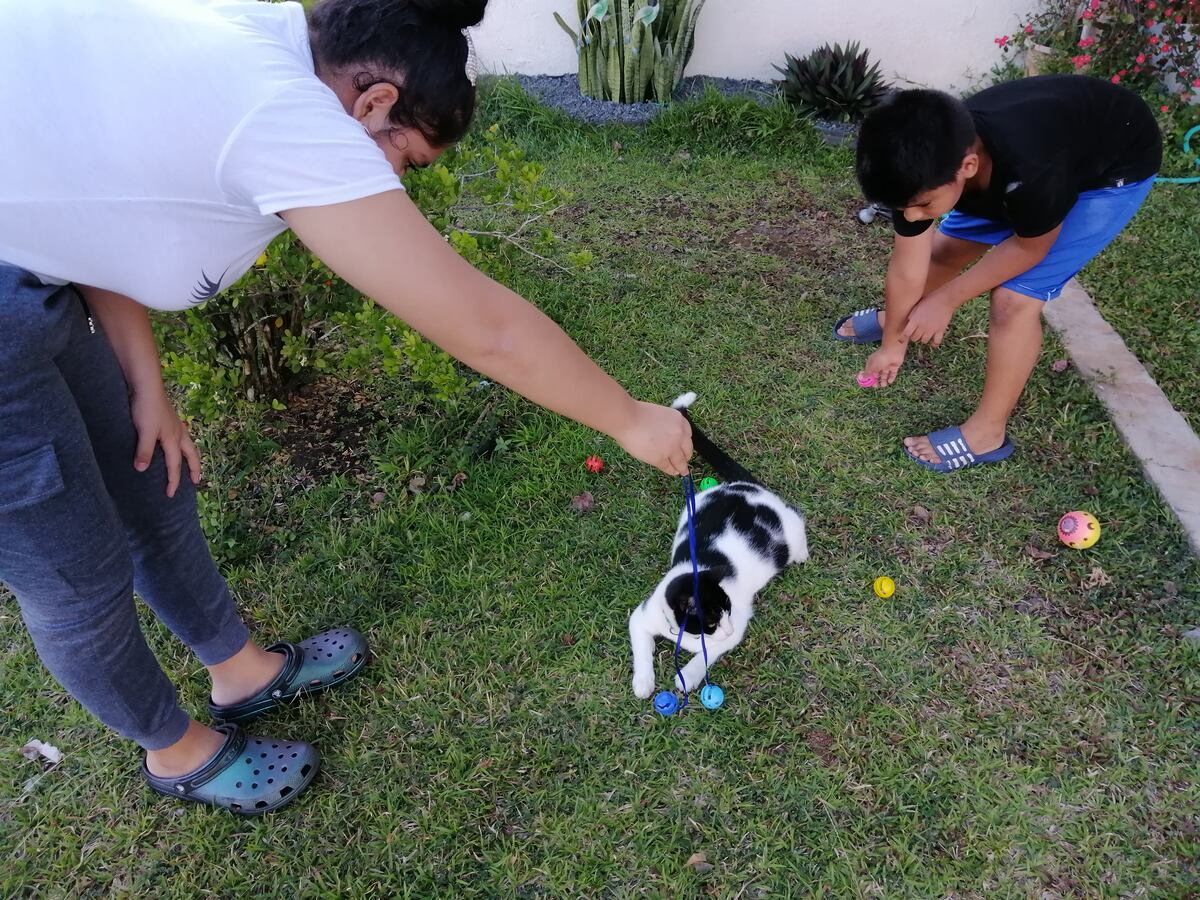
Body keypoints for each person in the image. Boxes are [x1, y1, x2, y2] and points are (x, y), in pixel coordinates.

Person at [0, 0, 692, 815]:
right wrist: (630, 417)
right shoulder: (280, 108)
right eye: (406, 157)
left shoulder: (260, 36)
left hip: (37, 279)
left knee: (152, 483)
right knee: (73, 572)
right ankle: (175, 751)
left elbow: (100, 194)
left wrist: (145, 381)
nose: (394, 181)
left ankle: (241, 671)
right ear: (374, 103)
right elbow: (488, 330)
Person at [834, 76, 1161, 472]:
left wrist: (946, 299)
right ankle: (899, 321)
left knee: (1014, 299)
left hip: (1110, 166)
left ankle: (986, 435)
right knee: (942, 253)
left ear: (967, 166)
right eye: (903, 208)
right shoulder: (926, 167)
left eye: (922, 205)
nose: (912, 216)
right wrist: (892, 340)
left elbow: (1030, 247)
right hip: (1040, 157)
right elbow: (909, 267)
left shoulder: (1032, 170)